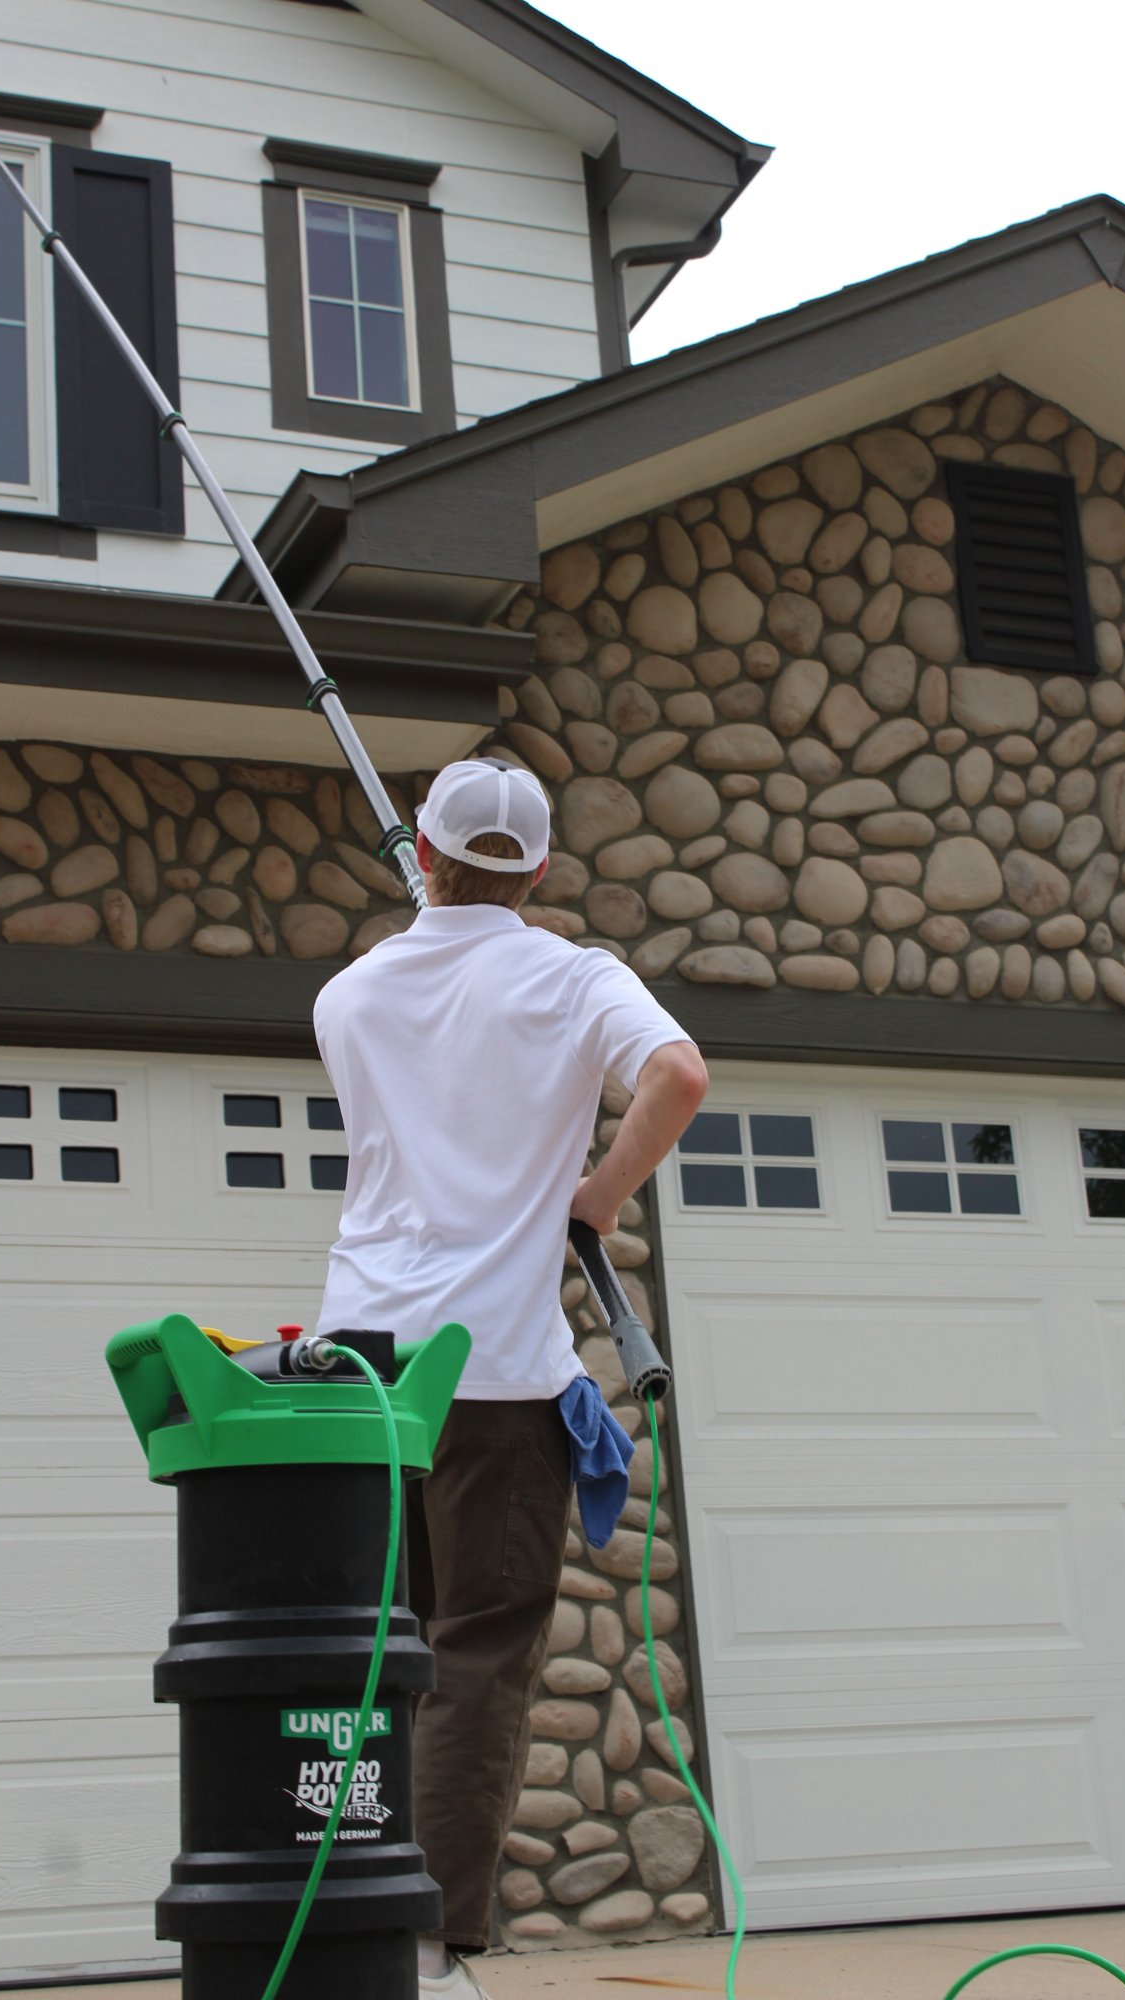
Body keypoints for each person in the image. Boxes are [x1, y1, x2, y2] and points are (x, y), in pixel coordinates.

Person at [313, 757, 708, 1999]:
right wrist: (598, 1192)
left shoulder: (349, 994)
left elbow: (436, 1035)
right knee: (475, 1656)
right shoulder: (575, 977)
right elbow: (679, 1074)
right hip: (490, 1372)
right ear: (539, 868)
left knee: (374, 1658)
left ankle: (340, 1924)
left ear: (424, 854)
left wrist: (441, 930)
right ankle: (425, 1954)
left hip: (361, 1368)